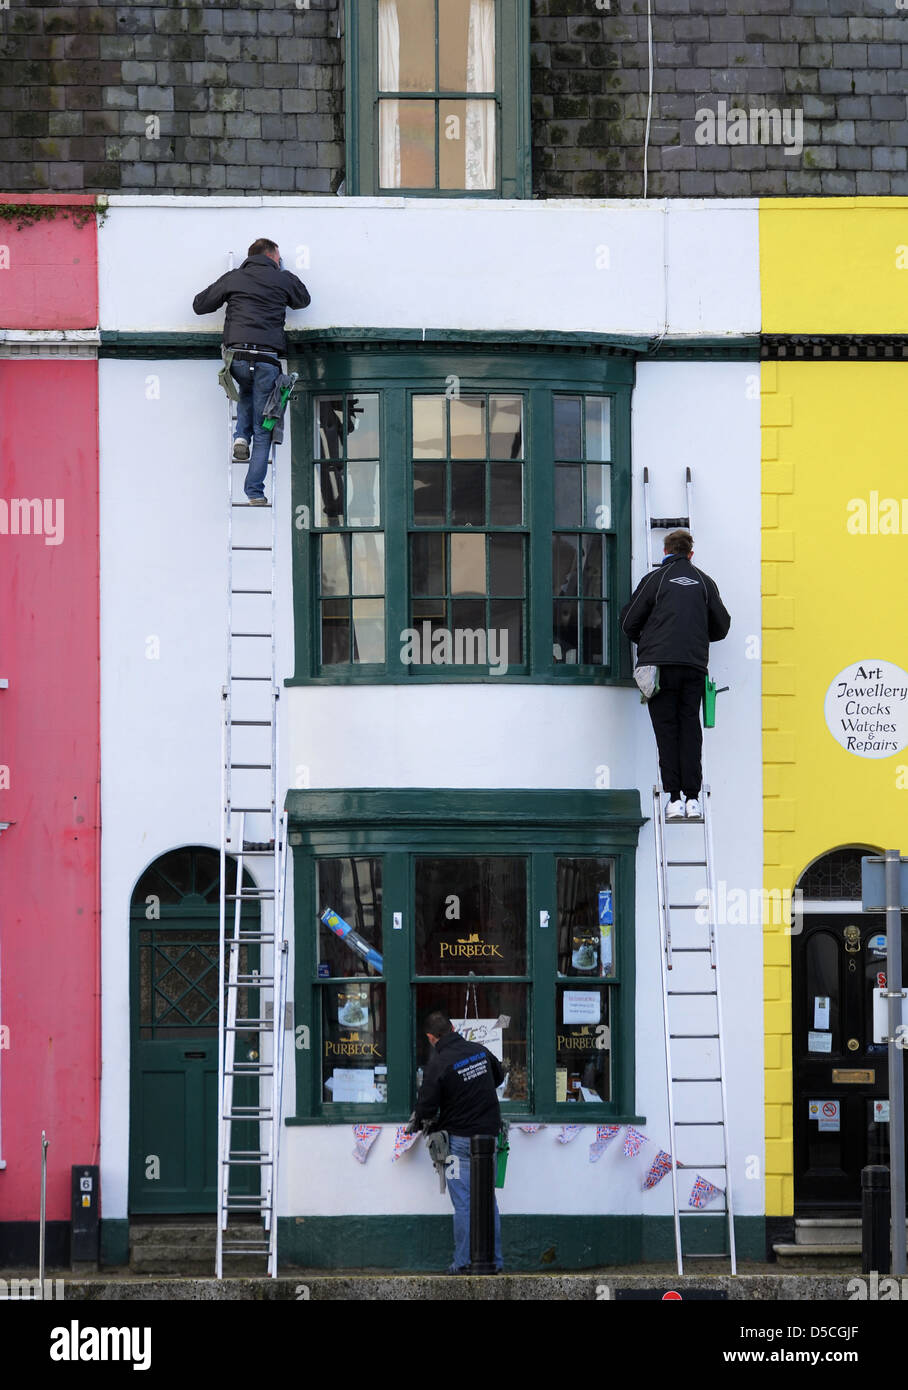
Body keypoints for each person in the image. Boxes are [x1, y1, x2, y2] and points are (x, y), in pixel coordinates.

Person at [619, 529, 730, 820]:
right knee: (690, 730)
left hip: (659, 667)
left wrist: (649, 641)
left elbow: (629, 621)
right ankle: (693, 798)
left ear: (665, 552)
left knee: (666, 731)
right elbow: (722, 626)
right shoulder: (705, 583)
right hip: (693, 665)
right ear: (690, 553)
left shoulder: (654, 580)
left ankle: (674, 798)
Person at [193, 238, 310, 504]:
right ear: (272, 256)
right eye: (278, 259)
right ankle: (254, 492)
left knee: (247, 388)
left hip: (237, 358)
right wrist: (284, 274)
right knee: (264, 427)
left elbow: (200, 305)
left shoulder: (234, 277)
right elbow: (303, 300)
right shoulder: (282, 278)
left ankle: (240, 437)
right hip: (267, 359)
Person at [411, 1010, 504, 1274]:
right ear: (453, 1028)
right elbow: (498, 1077)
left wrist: (419, 1122)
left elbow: (426, 1107)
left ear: (431, 1037)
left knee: (463, 1202)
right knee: (488, 1200)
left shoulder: (438, 1064)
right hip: (489, 1138)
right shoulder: (479, 1050)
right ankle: (494, 1261)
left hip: (458, 1142)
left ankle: (464, 1261)